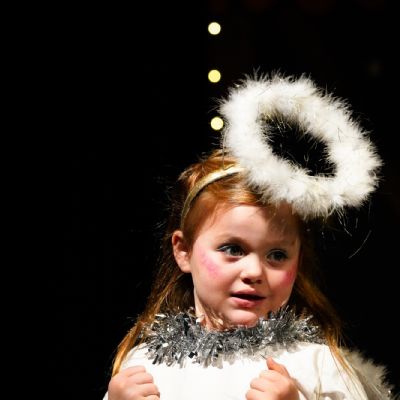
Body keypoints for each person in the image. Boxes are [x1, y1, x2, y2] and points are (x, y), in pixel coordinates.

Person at [103, 73, 395, 399]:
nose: (255, 271)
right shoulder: (145, 365)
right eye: (232, 249)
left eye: (277, 255)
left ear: (299, 259)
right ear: (183, 251)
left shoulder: (316, 365)